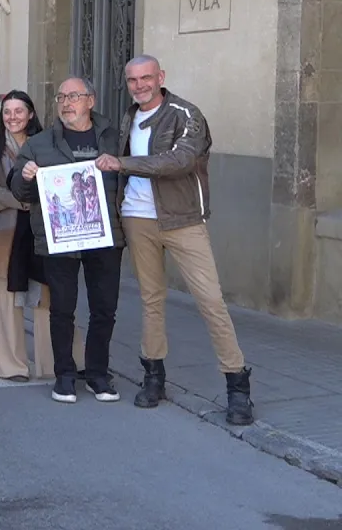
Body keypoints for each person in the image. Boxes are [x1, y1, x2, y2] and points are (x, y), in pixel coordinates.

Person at [95, 55, 254, 425]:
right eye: (132, 80)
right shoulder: (128, 116)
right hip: (137, 219)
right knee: (151, 299)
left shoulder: (186, 114)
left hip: (183, 220)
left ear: (161, 77)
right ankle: (154, 377)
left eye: (146, 78)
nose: (139, 85)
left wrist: (123, 163)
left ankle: (237, 385)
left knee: (211, 300)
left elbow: (178, 161)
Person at [10, 77, 125, 404]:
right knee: (61, 308)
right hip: (59, 239)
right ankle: (64, 374)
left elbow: (129, 181)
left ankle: (98, 373)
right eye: (61, 96)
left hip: (106, 238)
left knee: (105, 308)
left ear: (91, 100)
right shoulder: (38, 143)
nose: (65, 102)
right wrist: (25, 176)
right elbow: (20, 191)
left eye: (74, 96)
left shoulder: (114, 139)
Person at [0, 90, 83, 381]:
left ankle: (57, 362)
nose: (12, 117)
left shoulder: (48, 146)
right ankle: (12, 365)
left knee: (49, 299)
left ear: (31, 114)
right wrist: (22, 200)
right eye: (7, 112)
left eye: (19, 111)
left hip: (45, 231)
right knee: (6, 300)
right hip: (8, 232)